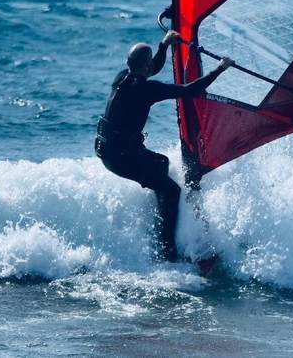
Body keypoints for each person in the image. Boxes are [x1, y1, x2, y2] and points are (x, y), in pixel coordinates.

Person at [95, 30, 234, 262]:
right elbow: (190, 90)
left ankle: (159, 213)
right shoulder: (148, 89)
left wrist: (164, 45)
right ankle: (167, 250)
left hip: (108, 150)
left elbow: (151, 68)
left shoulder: (121, 78)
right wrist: (220, 67)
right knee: (172, 190)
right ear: (146, 64)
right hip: (121, 156)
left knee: (161, 162)